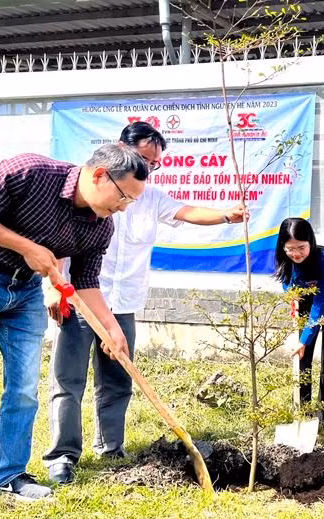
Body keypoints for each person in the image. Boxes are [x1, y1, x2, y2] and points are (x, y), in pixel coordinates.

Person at [0, 145, 148, 514]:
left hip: (23, 291)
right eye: (123, 197)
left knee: (23, 388)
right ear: (100, 175)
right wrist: (27, 247)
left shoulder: (100, 225)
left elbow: (86, 281)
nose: (123, 208)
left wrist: (111, 328)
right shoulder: (30, 171)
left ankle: (9, 475)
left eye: (131, 202)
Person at [42, 122, 246, 484]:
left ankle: (110, 447)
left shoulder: (151, 198)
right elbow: (60, 242)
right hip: (82, 300)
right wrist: (56, 288)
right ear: (122, 149)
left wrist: (226, 215)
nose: (148, 168)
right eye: (144, 159)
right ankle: (63, 456)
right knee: (68, 380)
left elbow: (186, 212)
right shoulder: (92, 194)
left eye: (154, 164)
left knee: (118, 378)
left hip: (123, 303)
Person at [274, 218, 324, 427]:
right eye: (290, 248)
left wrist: (304, 338)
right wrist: (291, 296)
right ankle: (303, 415)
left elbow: (320, 306)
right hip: (304, 302)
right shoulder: (284, 258)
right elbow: (286, 281)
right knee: (302, 358)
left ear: (311, 242)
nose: (296, 254)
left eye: (301, 247)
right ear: (283, 246)